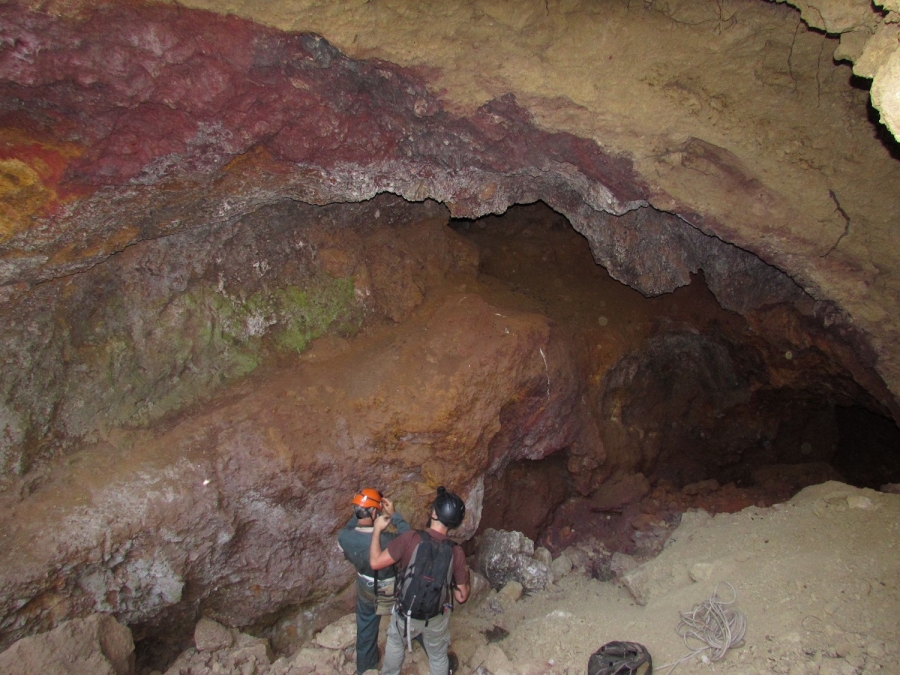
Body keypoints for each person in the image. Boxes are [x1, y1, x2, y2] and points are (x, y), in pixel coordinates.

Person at [370, 486, 470, 675]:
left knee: (395, 643)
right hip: (435, 618)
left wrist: (376, 530)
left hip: (405, 613)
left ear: (434, 514)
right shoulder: (456, 552)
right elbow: (461, 596)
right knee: (438, 656)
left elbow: (375, 562)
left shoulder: (411, 538)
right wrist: (467, 582)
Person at [338, 488, 410, 675]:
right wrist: (394, 515)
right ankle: (425, 646)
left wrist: (363, 505)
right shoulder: (386, 540)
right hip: (387, 587)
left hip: (365, 584)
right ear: (374, 513)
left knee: (366, 625)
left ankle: (365, 667)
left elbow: (351, 526)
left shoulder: (344, 537)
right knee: (405, 617)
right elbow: (409, 538)